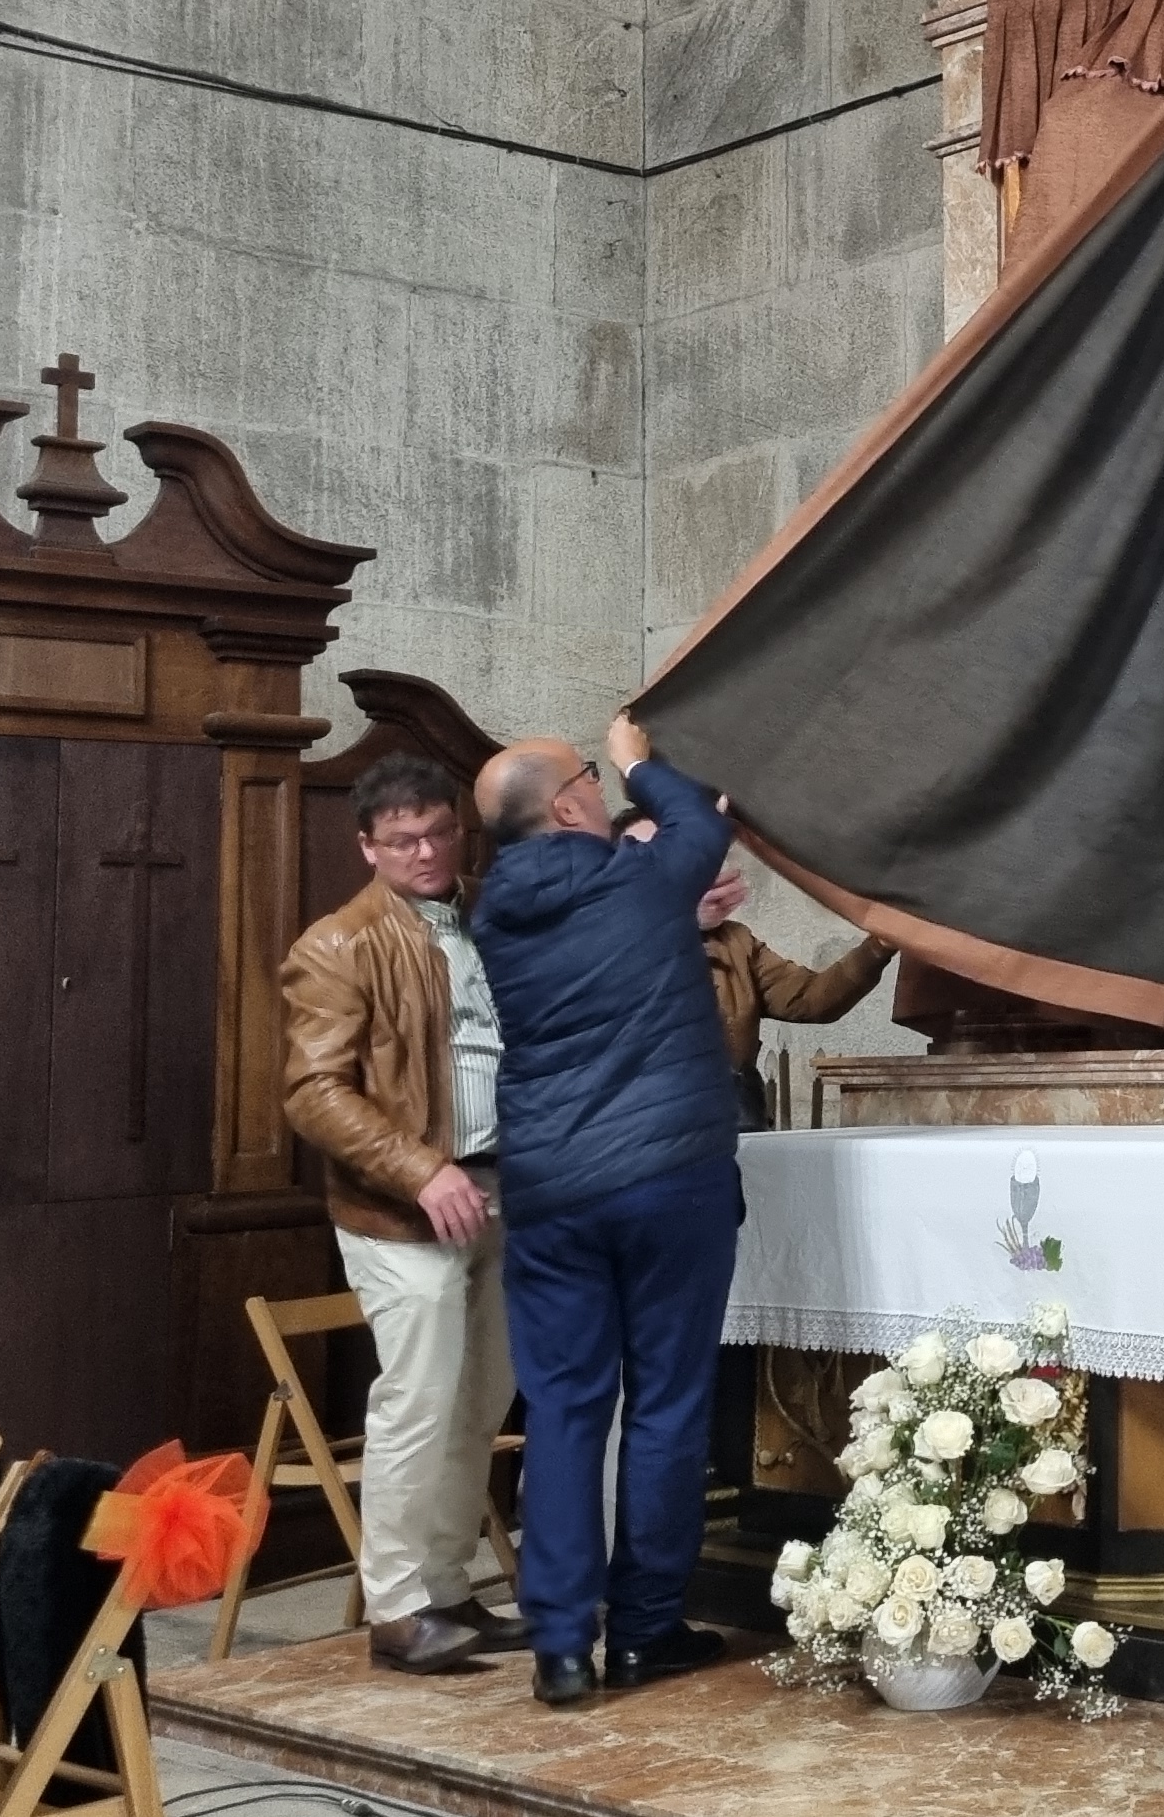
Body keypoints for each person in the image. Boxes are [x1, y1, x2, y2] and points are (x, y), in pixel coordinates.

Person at [468, 712, 743, 1706]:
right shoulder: (641, 880)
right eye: (587, 775)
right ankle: (643, 1632)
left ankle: (557, 1646)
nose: (598, 782)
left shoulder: (492, 913)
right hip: (670, 1177)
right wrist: (639, 761)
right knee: (666, 1403)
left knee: (564, 1408)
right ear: (570, 805)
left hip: (550, 1189)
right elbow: (703, 825)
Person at [277, 754, 522, 1673]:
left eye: (439, 833)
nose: (425, 852)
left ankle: (450, 1588)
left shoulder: (493, 913)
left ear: (461, 830)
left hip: (507, 1189)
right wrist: (422, 1172)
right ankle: (396, 1607)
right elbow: (313, 1092)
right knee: (418, 1398)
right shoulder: (337, 944)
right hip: (402, 1207)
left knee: (481, 1398)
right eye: (403, 840)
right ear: (367, 848)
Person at [694, 863, 890, 1129]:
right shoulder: (635, 937)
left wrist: (881, 944)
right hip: (656, 1124)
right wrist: (679, 924)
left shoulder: (735, 941)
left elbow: (811, 999)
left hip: (734, 1118)